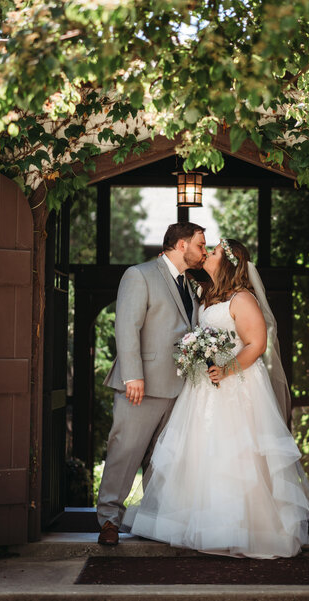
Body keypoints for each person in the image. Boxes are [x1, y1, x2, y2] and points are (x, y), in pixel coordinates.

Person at [122, 239, 309, 559]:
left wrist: (227, 370)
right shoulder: (208, 295)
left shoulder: (243, 299)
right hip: (203, 387)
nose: (206, 253)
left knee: (233, 455)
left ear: (226, 262)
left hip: (236, 385)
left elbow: (257, 342)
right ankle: (198, 524)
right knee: (198, 452)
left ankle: (239, 527)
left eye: (211, 252)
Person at [97, 222, 207, 545]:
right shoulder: (139, 275)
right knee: (125, 450)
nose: (204, 251)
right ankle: (108, 521)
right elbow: (127, 326)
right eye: (201, 245)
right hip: (140, 386)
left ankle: (152, 521)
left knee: (162, 462)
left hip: (179, 389)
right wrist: (133, 375)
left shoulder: (190, 285)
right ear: (182, 245)